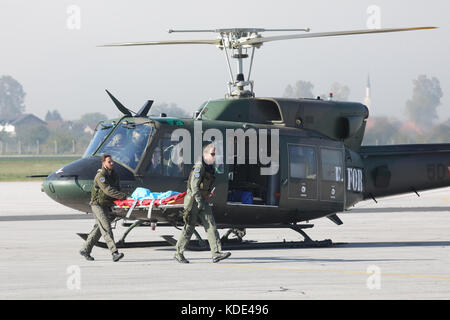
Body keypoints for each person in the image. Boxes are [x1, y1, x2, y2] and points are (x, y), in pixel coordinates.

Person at [174, 143, 231, 263]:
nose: (214, 157)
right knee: (189, 227)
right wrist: (200, 201)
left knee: (211, 225)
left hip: (202, 200)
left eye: (215, 154)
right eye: (212, 154)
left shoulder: (209, 167)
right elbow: (194, 186)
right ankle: (179, 253)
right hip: (193, 201)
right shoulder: (199, 167)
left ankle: (216, 253)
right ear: (205, 155)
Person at [80, 154, 127, 262]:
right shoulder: (100, 176)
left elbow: (117, 188)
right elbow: (108, 190)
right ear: (103, 163)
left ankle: (85, 249)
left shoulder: (114, 175)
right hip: (97, 205)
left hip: (106, 205)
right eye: (109, 162)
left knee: (98, 229)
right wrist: (123, 196)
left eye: (112, 161)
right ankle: (114, 252)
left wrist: (122, 200)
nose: (112, 163)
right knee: (106, 228)